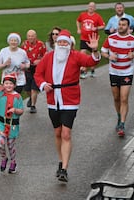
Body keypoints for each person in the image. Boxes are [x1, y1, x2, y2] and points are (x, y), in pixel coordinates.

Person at [34, 29, 101, 182]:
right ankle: (60, 160)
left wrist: (95, 50)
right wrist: (43, 84)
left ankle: (64, 168)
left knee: (66, 134)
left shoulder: (76, 56)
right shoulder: (48, 57)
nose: (62, 44)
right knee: (57, 133)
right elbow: (38, 74)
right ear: (56, 44)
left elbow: (91, 61)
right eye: (60, 42)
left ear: (70, 44)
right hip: (53, 100)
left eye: (65, 42)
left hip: (70, 100)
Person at [101, 18, 134, 137]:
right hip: (114, 71)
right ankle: (119, 117)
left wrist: (133, 55)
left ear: (128, 27)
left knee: (124, 98)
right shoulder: (111, 38)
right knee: (116, 98)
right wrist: (109, 56)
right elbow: (103, 52)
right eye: (119, 24)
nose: (120, 26)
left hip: (127, 72)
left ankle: (122, 125)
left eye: (123, 25)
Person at [76, 2, 105, 78]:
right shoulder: (83, 15)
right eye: (89, 6)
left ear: (95, 8)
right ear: (87, 7)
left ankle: (92, 70)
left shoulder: (97, 17)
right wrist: (78, 29)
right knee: (83, 54)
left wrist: (96, 28)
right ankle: (83, 71)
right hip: (84, 38)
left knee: (93, 55)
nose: (91, 8)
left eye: (92, 7)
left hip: (93, 40)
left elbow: (103, 26)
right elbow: (78, 21)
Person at [21, 29, 46, 113]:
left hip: (37, 68)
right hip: (27, 68)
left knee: (34, 88)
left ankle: (33, 105)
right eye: (29, 36)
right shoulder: (24, 44)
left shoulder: (41, 44)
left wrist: (40, 61)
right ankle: (31, 98)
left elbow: (46, 56)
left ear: (36, 36)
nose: (30, 37)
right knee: (27, 88)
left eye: (32, 36)